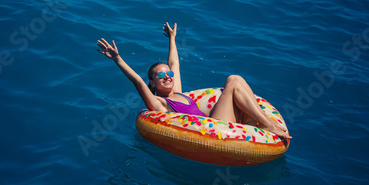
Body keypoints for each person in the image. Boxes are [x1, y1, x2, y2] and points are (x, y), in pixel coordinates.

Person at [96, 22, 291, 139]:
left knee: (235, 79)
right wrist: (117, 59)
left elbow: (174, 63)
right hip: (216, 127)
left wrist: (172, 38)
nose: (168, 77)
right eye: (161, 76)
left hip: (221, 122)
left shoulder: (179, 93)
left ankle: (261, 121)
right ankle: (267, 124)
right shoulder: (160, 104)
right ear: (153, 83)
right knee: (233, 81)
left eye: (169, 75)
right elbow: (137, 81)